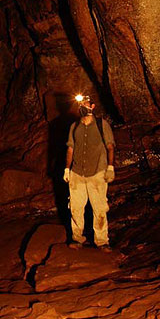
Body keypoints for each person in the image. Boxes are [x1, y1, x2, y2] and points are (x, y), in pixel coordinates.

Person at [63, 96, 116, 252]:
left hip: (97, 172)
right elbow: (70, 148)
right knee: (76, 208)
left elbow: (110, 146)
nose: (83, 106)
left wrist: (110, 167)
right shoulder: (74, 126)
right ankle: (77, 239)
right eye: (80, 104)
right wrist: (67, 169)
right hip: (77, 173)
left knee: (99, 208)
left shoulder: (101, 125)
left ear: (92, 106)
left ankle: (102, 241)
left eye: (85, 104)